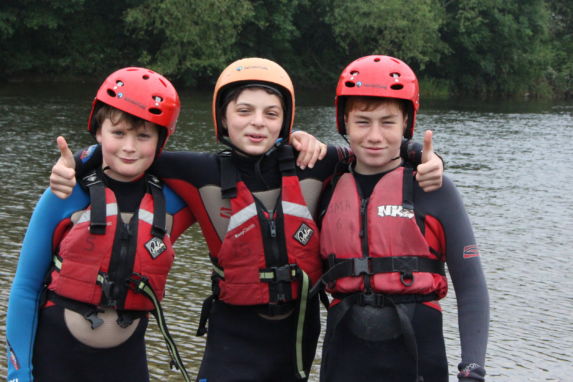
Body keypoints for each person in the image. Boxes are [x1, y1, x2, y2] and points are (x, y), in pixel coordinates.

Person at [48, 57, 445, 381]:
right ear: (222, 118)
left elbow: (376, 151)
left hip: (294, 344)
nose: (258, 122)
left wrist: (425, 157)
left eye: (271, 113)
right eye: (244, 111)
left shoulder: (317, 162)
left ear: (284, 122)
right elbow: (128, 146)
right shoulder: (195, 171)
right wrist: (78, 163)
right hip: (231, 343)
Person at [6, 67, 196, 382]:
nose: (129, 147)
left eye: (143, 135)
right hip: (56, 360)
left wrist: (296, 142)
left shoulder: (174, 201)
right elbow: (25, 289)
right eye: (118, 133)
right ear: (98, 131)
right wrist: (19, 373)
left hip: (126, 365)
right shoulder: (65, 192)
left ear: (161, 140)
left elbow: (233, 171)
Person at [311, 55, 490, 382]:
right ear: (344, 123)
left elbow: (471, 286)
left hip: (418, 353)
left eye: (388, 122)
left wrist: (472, 367)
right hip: (344, 354)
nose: (375, 136)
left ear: (407, 123)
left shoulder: (432, 186)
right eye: (363, 121)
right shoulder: (327, 183)